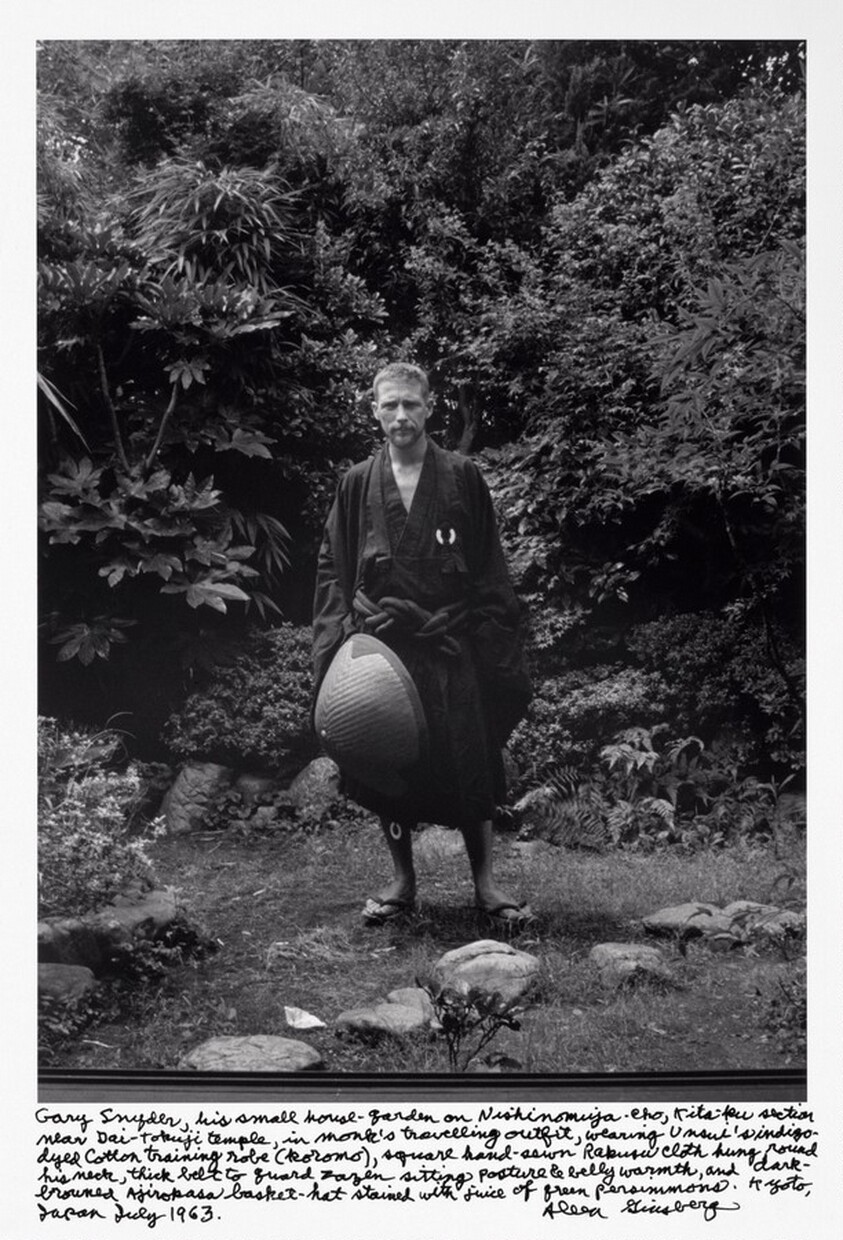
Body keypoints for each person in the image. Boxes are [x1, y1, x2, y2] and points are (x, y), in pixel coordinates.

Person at [312, 362, 533, 926]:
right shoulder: (358, 481)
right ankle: (402, 880)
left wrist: (490, 640)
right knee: (386, 766)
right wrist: (337, 638)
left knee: (470, 760)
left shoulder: (462, 475)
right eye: (390, 406)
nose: (401, 416)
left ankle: (485, 884)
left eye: (411, 404)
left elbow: (488, 566)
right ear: (374, 410)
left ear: (431, 406)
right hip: (383, 649)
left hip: (448, 642)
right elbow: (333, 569)